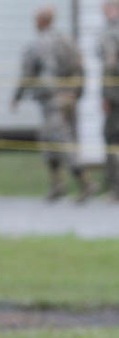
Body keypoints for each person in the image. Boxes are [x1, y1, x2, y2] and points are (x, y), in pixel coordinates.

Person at [11, 5, 95, 202]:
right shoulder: (67, 41)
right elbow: (81, 67)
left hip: (51, 101)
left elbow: (27, 74)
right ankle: (57, 185)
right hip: (69, 98)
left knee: (58, 142)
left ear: (41, 21)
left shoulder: (37, 44)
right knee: (61, 140)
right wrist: (77, 93)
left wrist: (17, 97)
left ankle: (84, 183)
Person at [99, 1, 119, 199]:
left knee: (111, 138)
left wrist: (106, 95)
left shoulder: (110, 33)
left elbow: (110, 65)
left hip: (116, 97)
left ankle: (115, 189)